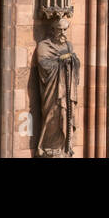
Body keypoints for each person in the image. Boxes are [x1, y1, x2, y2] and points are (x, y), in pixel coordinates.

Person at [34, 19, 79, 157]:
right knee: (52, 117)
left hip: (66, 91)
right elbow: (43, 65)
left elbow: (76, 63)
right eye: (59, 29)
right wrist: (61, 60)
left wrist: (72, 60)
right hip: (53, 92)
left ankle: (65, 146)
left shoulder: (69, 46)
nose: (63, 32)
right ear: (53, 30)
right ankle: (49, 148)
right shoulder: (44, 46)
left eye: (65, 29)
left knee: (66, 116)